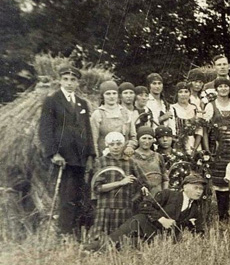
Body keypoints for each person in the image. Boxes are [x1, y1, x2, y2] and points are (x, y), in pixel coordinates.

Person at [83, 174, 208, 251]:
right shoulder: (169, 194)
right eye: (195, 188)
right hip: (140, 224)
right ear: (185, 187)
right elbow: (144, 205)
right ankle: (88, 249)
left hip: (155, 237)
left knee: (125, 249)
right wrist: (161, 219)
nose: (198, 192)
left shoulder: (195, 209)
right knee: (112, 242)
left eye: (201, 189)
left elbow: (199, 230)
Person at [39, 65, 95, 237]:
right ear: (60, 81)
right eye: (66, 79)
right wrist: (53, 153)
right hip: (63, 158)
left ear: (78, 82)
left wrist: (91, 155)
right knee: (67, 197)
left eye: (73, 80)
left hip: (80, 158)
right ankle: (65, 234)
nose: (69, 83)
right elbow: (45, 129)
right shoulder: (52, 100)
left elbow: (87, 130)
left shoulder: (82, 103)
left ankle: (77, 232)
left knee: (81, 196)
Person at [204, 77, 230, 221]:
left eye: (226, 86)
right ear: (216, 89)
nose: (223, 89)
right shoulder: (210, 106)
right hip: (218, 149)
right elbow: (205, 130)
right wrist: (206, 148)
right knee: (219, 180)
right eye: (220, 86)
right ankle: (222, 215)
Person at [91, 132, 149, 236]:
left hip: (124, 209)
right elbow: (97, 188)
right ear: (107, 145)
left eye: (118, 144)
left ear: (123, 145)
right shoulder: (101, 162)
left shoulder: (130, 162)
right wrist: (121, 183)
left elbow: (144, 182)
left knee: (123, 242)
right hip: (105, 209)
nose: (115, 147)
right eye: (112, 144)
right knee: (101, 242)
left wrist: (142, 190)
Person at [90, 80, 138, 158]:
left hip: (124, 157)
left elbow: (133, 137)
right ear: (102, 96)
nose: (111, 96)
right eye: (108, 94)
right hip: (104, 157)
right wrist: (97, 158)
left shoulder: (125, 113)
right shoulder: (98, 114)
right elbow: (93, 140)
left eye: (114, 93)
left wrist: (130, 146)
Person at [132, 126, 168, 197]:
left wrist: (164, 193)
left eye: (149, 138)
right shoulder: (132, 157)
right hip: (138, 196)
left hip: (157, 195)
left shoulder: (158, 156)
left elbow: (165, 178)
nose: (147, 141)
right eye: (144, 138)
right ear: (138, 139)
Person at [171, 81, 203, 154]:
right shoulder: (172, 108)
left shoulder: (195, 108)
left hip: (195, 144)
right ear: (177, 94)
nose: (183, 94)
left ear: (190, 93)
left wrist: (194, 149)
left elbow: (199, 132)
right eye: (180, 92)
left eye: (186, 91)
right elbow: (172, 132)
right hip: (178, 144)